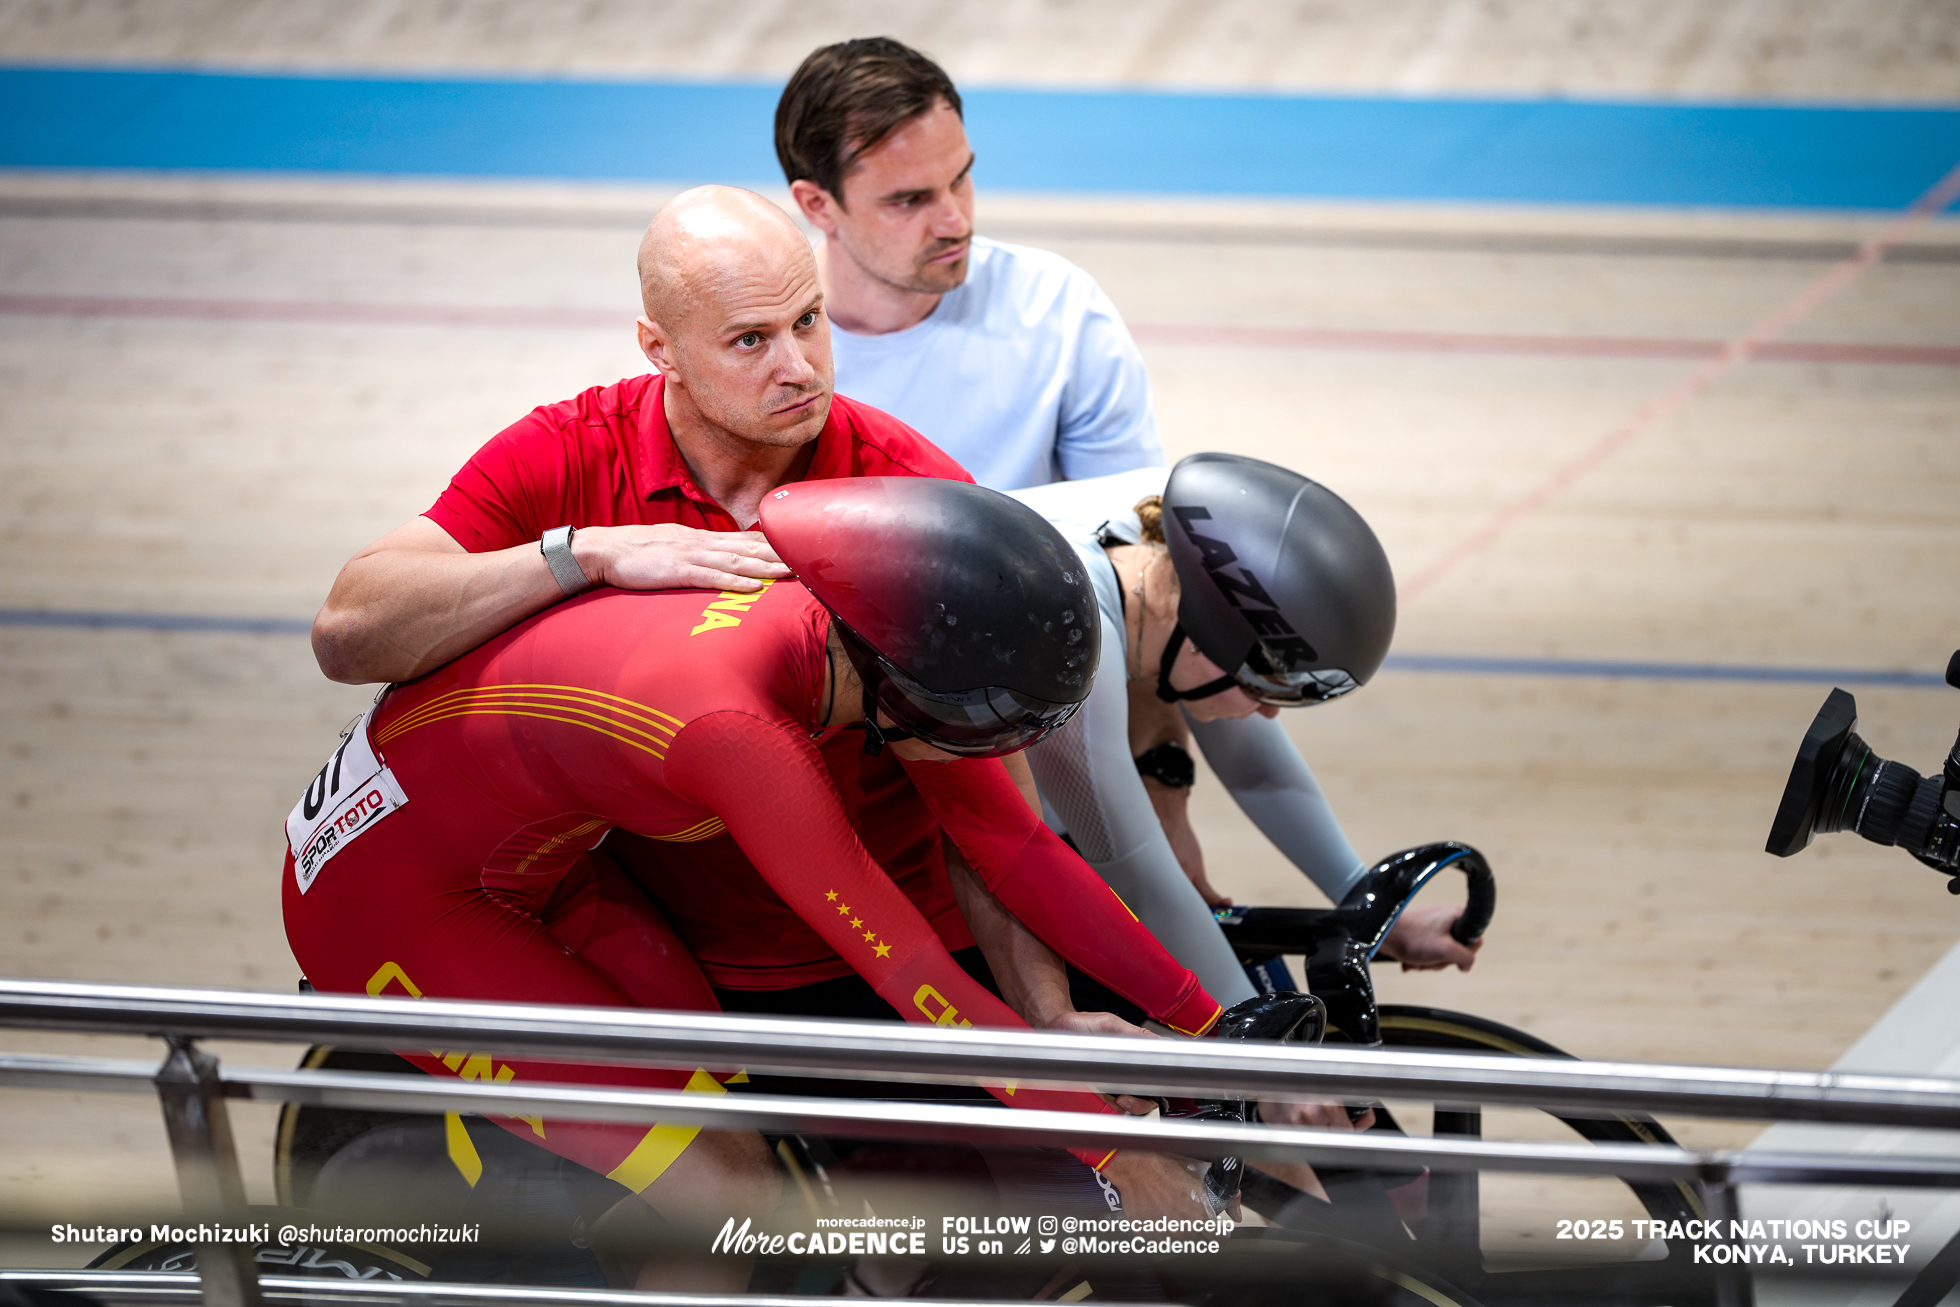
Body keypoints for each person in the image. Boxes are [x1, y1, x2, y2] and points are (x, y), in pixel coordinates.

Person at [282, 477, 1247, 1288]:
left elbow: (1013, 844)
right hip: (390, 904)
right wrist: (1116, 1154)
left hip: (514, 853)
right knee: (727, 1185)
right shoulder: (739, 733)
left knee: (738, 1106)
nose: (999, 750)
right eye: (992, 726)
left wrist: (1217, 1029)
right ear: (919, 691)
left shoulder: (862, 626)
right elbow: (916, 981)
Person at [309, 183, 956, 688]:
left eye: (808, 319)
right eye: (751, 339)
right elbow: (345, 634)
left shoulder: (913, 487)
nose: (799, 368)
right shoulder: (567, 448)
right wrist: (580, 558)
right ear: (660, 349)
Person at [1010, 456, 1482, 1006]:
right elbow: (1138, 874)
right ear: (1208, 637)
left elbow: (1257, 771)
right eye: (1268, 689)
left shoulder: (1169, 540)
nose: (1269, 715)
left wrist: (1365, 902)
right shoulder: (1077, 637)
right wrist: (1258, 1063)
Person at [777, 37, 1162, 491]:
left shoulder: (1060, 313)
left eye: (960, 178)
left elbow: (1130, 526)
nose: (955, 221)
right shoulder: (750, 343)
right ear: (818, 205)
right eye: (909, 200)